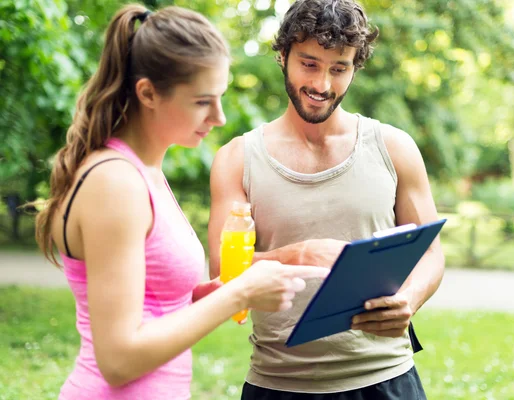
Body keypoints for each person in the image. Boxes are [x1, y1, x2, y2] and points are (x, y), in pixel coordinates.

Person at [33, 4, 328, 400]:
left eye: (220, 98)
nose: (220, 117)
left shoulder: (146, 173)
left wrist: (218, 291)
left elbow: (152, 305)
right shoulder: (114, 182)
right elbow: (118, 360)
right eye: (203, 101)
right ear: (148, 93)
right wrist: (237, 296)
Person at [208, 0, 445, 398]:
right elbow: (222, 271)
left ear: (356, 67)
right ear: (282, 56)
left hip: (385, 379)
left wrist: (410, 298)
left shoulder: (394, 147)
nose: (322, 85)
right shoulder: (237, 159)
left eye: (339, 69)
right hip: (278, 382)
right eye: (309, 64)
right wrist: (298, 254)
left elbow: (430, 252)